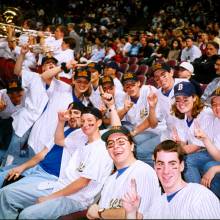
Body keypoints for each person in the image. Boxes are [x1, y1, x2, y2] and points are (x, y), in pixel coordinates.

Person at [0, 106, 113, 219]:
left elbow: (82, 183)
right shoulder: (81, 137)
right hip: (59, 185)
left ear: (99, 123)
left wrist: (50, 197)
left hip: (75, 198)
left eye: (90, 121)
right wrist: (61, 121)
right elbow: (59, 141)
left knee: (27, 215)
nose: (85, 124)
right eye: (82, 121)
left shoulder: (101, 149)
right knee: (6, 194)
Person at [86, 94, 161, 219]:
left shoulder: (142, 171)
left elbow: (137, 216)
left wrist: (100, 212)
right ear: (107, 150)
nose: (116, 147)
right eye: (111, 144)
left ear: (132, 146)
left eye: (121, 142)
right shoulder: (110, 180)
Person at [122, 140, 220, 219]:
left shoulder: (200, 196)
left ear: (181, 166)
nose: (166, 171)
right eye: (161, 164)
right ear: (155, 167)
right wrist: (131, 213)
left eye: (172, 163)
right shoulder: (156, 205)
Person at [117, 71, 162, 166]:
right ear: (124, 88)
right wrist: (124, 109)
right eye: (127, 86)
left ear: (138, 83)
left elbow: (151, 121)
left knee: (136, 147)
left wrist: (133, 133)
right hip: (139, 129)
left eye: (132, 84)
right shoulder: (125, 97)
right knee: (118, 135)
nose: (130, 88)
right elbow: (117, 119)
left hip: (156, 130)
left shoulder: (149, 91)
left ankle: (153, 174)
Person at [185, 87, 220, 198]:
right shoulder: (217, 119)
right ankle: (199, 196)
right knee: (188, 160)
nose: (217, 108)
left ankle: (212, 202)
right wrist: (204, 138)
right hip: (216, 155)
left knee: (210, 166)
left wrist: (215, 169)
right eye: (214, 104)